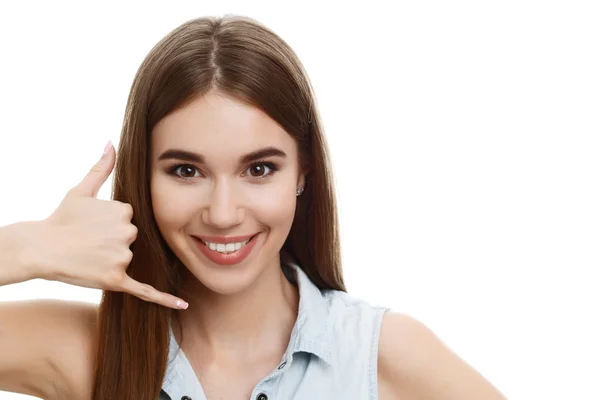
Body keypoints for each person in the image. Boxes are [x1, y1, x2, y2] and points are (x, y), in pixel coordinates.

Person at [0, 14, 507, 400]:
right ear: (143, 178)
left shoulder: (378, 353)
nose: (223, 213)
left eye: (258, 169)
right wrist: (27, 247)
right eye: (186, 171)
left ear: (303, 172)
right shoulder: (87, 348)